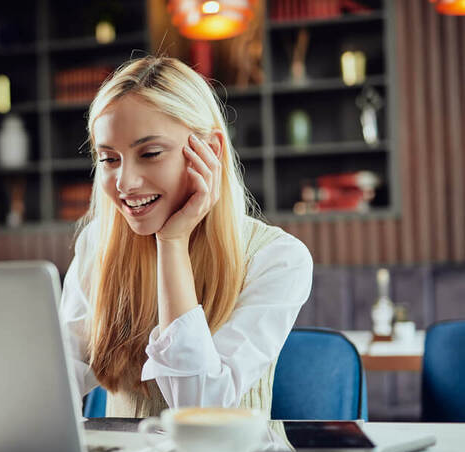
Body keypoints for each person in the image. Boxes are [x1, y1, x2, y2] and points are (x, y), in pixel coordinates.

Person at [59, 56, 313, 418]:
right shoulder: (97, 245)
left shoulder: (278, 259)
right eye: (109, 159)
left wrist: (172, 243)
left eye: (150, 153)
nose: (125, 183)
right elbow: (59, 378)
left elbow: (200, 409)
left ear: (209, 151)